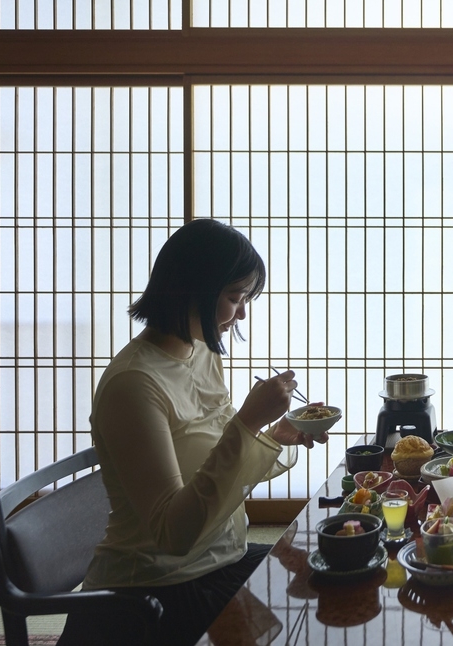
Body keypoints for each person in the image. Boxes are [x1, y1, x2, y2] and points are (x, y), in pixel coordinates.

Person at [58, 219, 326, 645]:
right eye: (235, 298)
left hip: (220, 558)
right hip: (155, 588)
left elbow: (214, 470)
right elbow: (175, 534)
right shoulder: (134, 384)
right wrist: (247, 423)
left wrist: (274, 436)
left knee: (331, 576)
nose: (242, 313)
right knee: (307, 614)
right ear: (193, 290)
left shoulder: (201, 351)